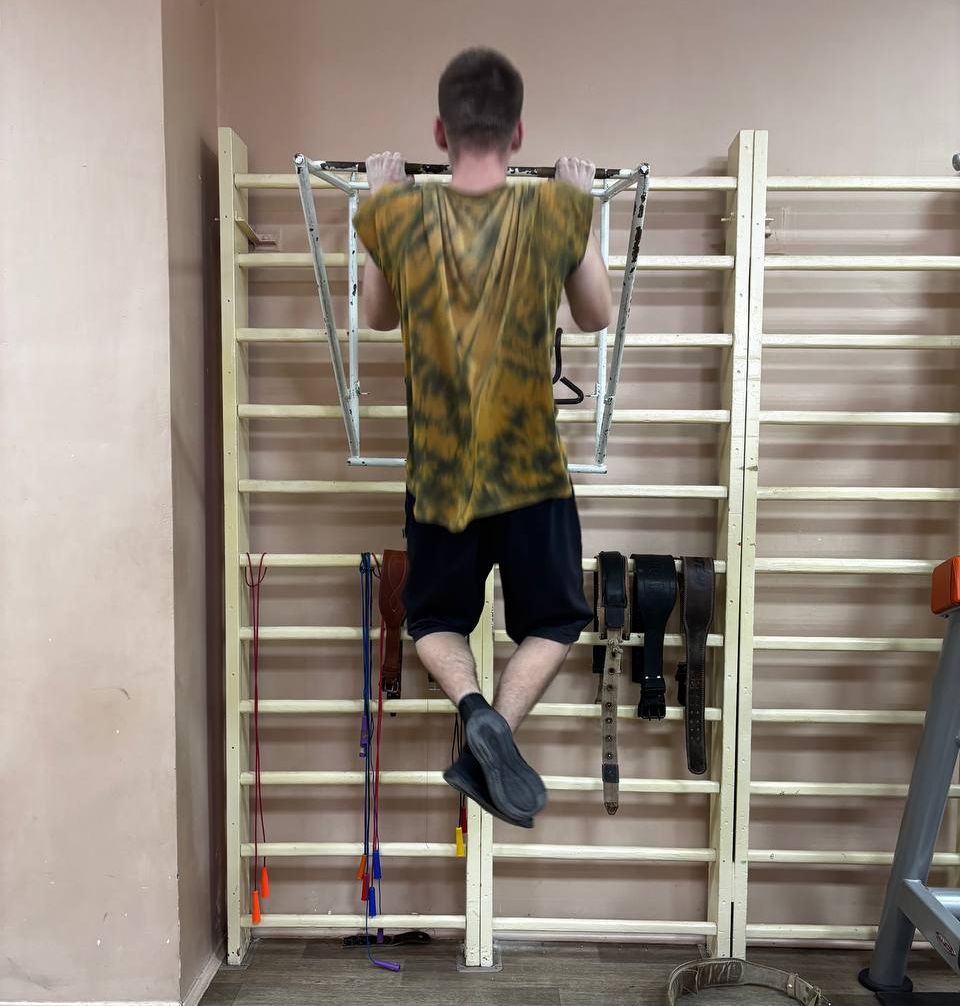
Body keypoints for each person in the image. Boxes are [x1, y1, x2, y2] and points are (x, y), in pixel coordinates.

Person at [353, 47, 611, 828]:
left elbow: (377, 318)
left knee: (434, 621)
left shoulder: (396, 216)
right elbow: (595, 314)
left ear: (441, 131)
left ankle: (473, 709)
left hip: (440, 472)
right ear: (517, 134)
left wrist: (381, 199)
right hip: (530, 469)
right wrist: (578, 205)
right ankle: (495, 728)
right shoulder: (555, 212)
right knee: (555, 621)